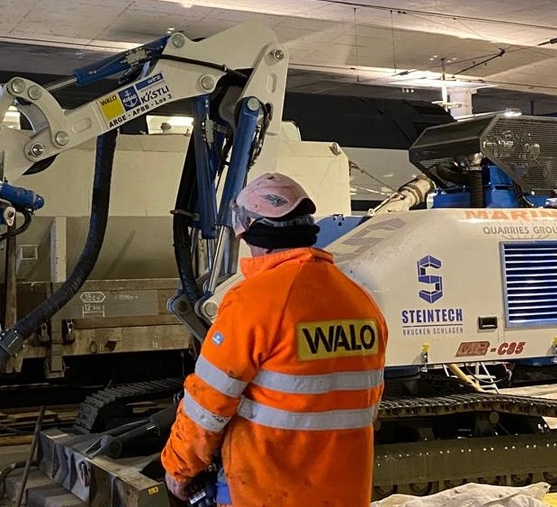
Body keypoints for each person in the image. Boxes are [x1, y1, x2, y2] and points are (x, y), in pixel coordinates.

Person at [161, 173, 388, 506]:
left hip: (269, 489)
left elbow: (208, 402)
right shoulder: (360, 301)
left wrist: (179, 468)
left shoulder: (254, 301)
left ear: (248, 230)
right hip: (344, 492)